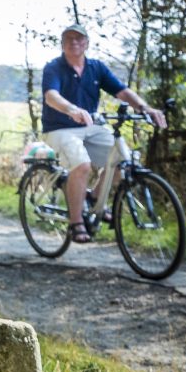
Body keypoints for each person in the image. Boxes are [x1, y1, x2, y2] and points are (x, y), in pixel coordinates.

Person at [40, 24, 167, 243]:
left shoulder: (96, 68)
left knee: (122, 158)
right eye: (69, 39)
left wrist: (145, 108)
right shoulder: (54, 67)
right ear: (62, 44)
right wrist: (72, 109)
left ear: (87, 44)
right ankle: (76, 222)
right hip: (60, 127)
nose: (74, 43)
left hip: (90, 126)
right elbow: (51, 95)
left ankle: (95, 198)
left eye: (79, 39)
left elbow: (122, 91)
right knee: (82, 165)